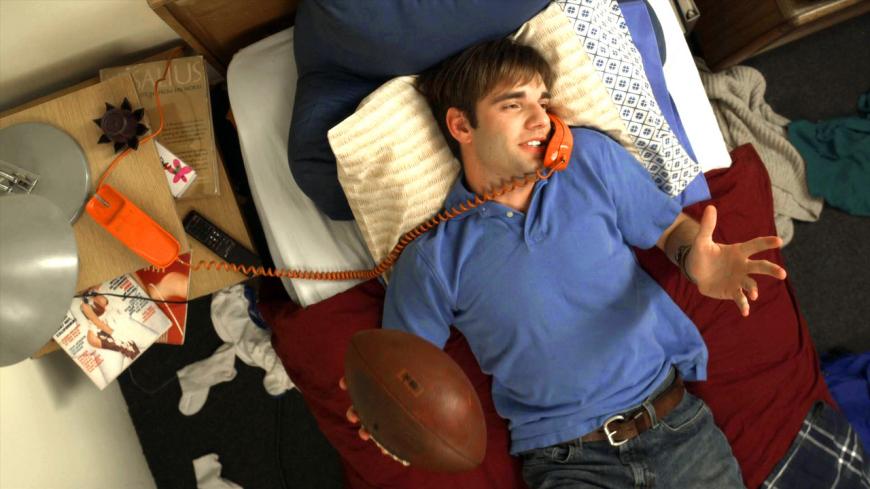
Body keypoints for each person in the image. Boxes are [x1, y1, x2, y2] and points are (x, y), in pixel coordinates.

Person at [342, 38, 788, 488]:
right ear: (461, 125)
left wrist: (697, 261)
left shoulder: (589, 159)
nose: (541, 119)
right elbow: (402, 373)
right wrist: (382, 404)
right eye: (514, 105)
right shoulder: (431, 258)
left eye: (543, 102)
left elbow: (671, 231)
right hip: (568, 462)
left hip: (677, 428)